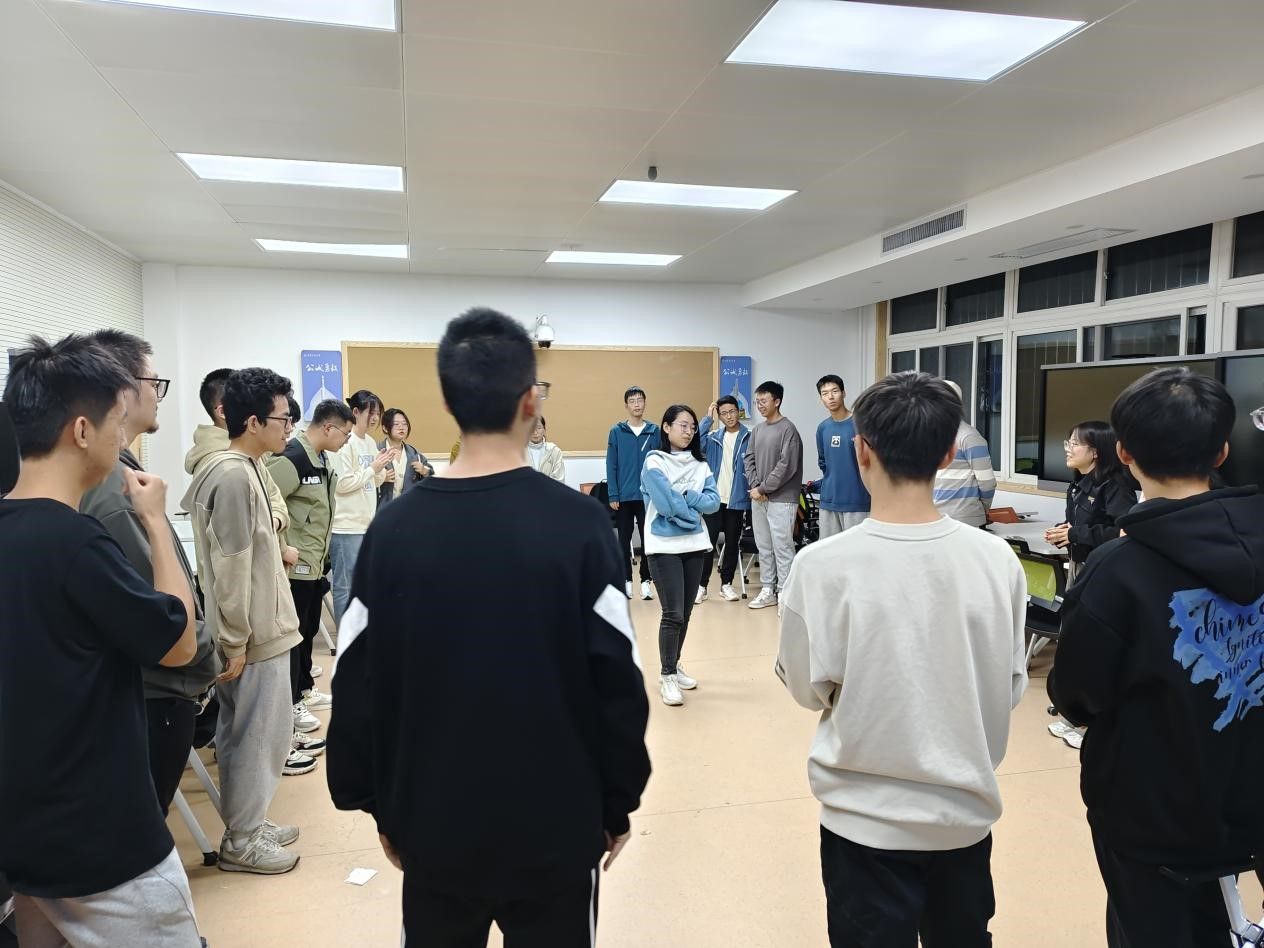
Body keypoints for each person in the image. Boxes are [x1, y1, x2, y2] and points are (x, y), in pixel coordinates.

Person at [327, 307, 650, 946]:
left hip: (433, 825)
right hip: (557, 825)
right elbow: (617, 677)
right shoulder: (581, 525)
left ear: (449, 403)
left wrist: (379, 806)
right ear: (531, 401)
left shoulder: (394, 531)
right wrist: (617, 803)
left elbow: (356, 679)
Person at [777, 371, 1027, 948]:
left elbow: (807, 690)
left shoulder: (821, 566)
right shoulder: (997, 561)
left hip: (862, 824)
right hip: (963, 818)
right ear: (948, 453)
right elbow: (1010, 685)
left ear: (861, 450)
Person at [1047, 367, 1264, 948]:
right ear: (1221, 451)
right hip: (1249, 788)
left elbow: (1076, 696)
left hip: (1149, 806)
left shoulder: (1117, 569)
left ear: (1124, 453)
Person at [0, 334, 202, 945]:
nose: (123, 442)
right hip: (102, 839)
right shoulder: (75, 542)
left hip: (24, 836)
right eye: (118, 424)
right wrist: (156, 522)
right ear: (83, 431)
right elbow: (179, 643)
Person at [80, 330, 221, 816]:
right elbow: (164, 623)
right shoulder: (116, 494)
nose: (158, 395)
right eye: (152, 382)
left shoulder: (125, 479)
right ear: (122, 393)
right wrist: (211, 653)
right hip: (156, 693)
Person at [182, 367, 307, 873]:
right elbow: (232, 564)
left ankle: (247, 822)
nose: (288, 428)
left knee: (243, 733)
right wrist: (235, 640)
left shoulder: (247, 465)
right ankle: (243, 840)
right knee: (258, 736)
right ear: (253, 422)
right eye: (283, 419)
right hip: (253, 633)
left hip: (254, 627)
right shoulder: (233, 474)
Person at [268, 398, 355, 760]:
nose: (346, 441)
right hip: (295, 566)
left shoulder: (320, 459)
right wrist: (283, 547)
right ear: (328, 427)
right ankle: (290, 704)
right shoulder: (293, 458)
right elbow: (264, 505)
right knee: (294, 638)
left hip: (314, 564)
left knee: (306, 633)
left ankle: (302, 689)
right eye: (345, 434)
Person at [641, 405, 720, 706]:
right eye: (683, 425)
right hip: (663, 547)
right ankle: (666, 676)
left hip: (694, 545)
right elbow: (664, 504)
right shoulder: (654, 461)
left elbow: (713, 503)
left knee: (685, 614)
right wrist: (691, 514)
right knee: (672, 614)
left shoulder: (700, 464)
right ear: (666, 427)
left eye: (692, 427)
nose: (689, 431)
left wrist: (688, 497)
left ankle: (674, 665)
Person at [186, 367, 291, 546]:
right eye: (283, 420)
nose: (288, 428)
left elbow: (275, 501)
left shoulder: (250, 457)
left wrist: (272, 524)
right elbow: (235, 551)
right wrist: (275, 538)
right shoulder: (229, 471)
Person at [329, 389, 395, 632]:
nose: (375, 418)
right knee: (345, 587)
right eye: (371, 412)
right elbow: (342, 484)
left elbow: (371, 482)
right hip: (345, 526)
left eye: (378, 413)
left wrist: (381, 470)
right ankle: (345, 638)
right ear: (356, 412)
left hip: (365, 524)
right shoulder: (345, 442)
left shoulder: (369, 443)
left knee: (363, 585)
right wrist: (374, 468)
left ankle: (360, 635)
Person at [1044, 420, 1139, 568]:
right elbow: (1081, 524)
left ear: (1095, 451)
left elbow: (1125, 532)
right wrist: (1061, 533)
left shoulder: (1116, 486)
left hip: (1105, 567)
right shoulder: (1077, 484)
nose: (1068, 449)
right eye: (1068, 443)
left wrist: (1075, 534)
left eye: (1074, 444)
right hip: (1078, 563)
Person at [743, 380, 803, 610]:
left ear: (777, 401)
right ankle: (768, 589)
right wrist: (755, 486)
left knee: (782, 547)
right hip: (759, 498)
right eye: (757, 401)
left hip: (782, 500)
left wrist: (763, 488)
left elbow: (787, 466)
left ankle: (785, 594)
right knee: (764, 546)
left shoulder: (788, 430)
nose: (759, 405)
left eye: (764, 401)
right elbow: (749, 459)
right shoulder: (758, 430)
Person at [606, 386, 659, 600]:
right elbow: (611, 464)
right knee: (623, 542)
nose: (637, 404)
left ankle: (646, 581)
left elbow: (660, 462)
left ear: (645, 403)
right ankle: (626, 580)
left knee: (648, 541)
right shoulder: (616, 432)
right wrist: (613, 494)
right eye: (632, 401)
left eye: (640, 400)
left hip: (648, 497)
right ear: (626, 405)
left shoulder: (654, 431)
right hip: (624, 497)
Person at [697, 395, 751, 603]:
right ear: (719, 416)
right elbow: (695, 443)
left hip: (736, 500)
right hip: (713, 500)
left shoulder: (749, 437)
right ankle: (701, 586)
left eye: (732, 411)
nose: (729, 416)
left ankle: (726, 584)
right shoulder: (713, 438)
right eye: (724, 413)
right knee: (707, 544)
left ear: (739, 411)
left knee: (731, 543)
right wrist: (707, 419)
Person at [933, 380, 997, 527]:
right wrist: (982, 510)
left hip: (963, 521)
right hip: (936, 519)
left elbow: (987, 482)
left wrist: (979, 511)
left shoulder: (969, 437)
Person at [814, 374, 870, 539]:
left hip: (857, 501)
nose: (830, 397)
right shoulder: (823, 428)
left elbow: (872, 463)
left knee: (856, 551)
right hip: (829, 501)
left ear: (844, 393)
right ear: (821, 399)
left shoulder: (861, 424)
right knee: (829, 551)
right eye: (825, 393)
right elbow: (823, 462)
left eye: (835, 391)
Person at [377, 407, 434, 509]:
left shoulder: (414, 453)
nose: (401, 428)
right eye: (396, 424)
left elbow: (432, 475)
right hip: (382, 510)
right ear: (385, 428)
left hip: (408, 509)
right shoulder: (377, 450)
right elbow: (365, 479)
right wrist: (381, 478)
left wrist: (424, 471)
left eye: (404, 424)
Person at [527, 416, 566, 481]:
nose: (535, 432)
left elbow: (559, 480)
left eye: (539, 428)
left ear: (544, 430)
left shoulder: (554, 451)